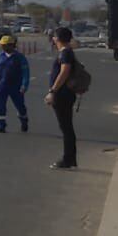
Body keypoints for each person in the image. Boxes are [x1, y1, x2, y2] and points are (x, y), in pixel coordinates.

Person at [47, 26, 81, 169]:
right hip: (65, 95)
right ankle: (70, 159)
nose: (53, 39)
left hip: (63, 95)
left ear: (58, 39)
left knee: (66, 128)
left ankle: (68, 160)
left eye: (54, 37)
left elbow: (64, 71)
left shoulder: (65, 53)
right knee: (67, 128)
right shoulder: (66, 52)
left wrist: (53, 91)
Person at [0, 34, 30, 133]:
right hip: (2, 86)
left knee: (20, 106)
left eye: (4, 45)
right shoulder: (0, 57)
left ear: (11, 45)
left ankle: (24, 120)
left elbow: (26, 72)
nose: (2, 47)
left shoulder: (20, 57)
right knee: (1, 106)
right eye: (2, 45)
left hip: (16, 87)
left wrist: (24, 85)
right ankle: (1, 125)